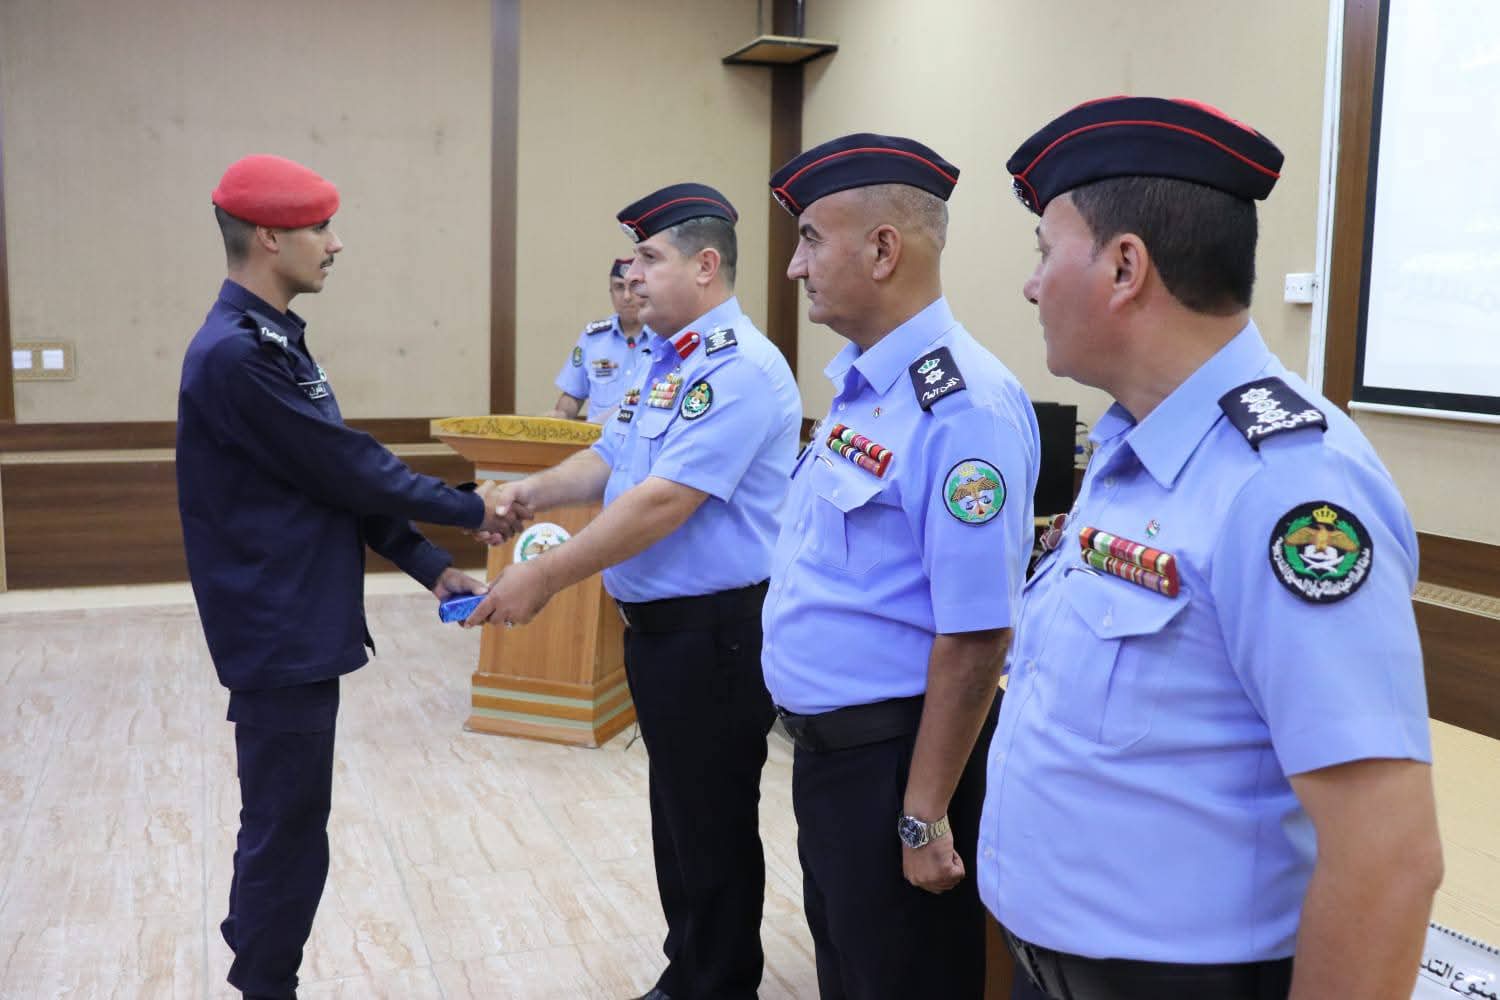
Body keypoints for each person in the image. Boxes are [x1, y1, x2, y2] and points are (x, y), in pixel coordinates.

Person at [979, 97, 1443, 1000]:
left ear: (1124, 267)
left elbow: (1386, 855)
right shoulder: (1133, 444)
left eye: (1044, 252)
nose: (1032, 287)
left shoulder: (1287, 488)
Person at [177, 154, 510, 1000]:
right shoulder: (236, 355)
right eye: (321, 228)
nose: (335, 244)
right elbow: (347, 465)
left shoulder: (272, 339)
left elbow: (328, 481)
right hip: (275, 626)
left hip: (294, 619)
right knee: (285, 829)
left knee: (290, 823)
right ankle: (265, 983)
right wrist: (471, 509)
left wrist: (430, 565)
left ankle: (263, 967)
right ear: (268, 236)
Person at [463, 182, 802, 1000]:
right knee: (678, 813)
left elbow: (662, 503)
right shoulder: (664, 357)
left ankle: (717, 984)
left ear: (706, 266)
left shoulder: (740, 369)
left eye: (649, 258)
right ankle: (690, 967)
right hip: (661, 628)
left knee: (710, 821)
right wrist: (530, 492)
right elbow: (611, 458)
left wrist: (544, 575)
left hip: (715, 632)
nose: (632, 274)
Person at [760, 134, 1041, 999]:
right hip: (835, 761)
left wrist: (922, 817)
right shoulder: (867, 386)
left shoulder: (964, 409)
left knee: (901, 978)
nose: (795, 267)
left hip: (899, 761)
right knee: (850, 971)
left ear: (883, 249)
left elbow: (978, 634)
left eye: (811, 240)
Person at [548, 256, 652, 422]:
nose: (626, 296)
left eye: (634, 286)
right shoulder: (593, 338)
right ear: (611, 293)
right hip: (598, 435)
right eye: (619, 287)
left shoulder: (664, 337)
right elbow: (573, 395)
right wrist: (561, 415)